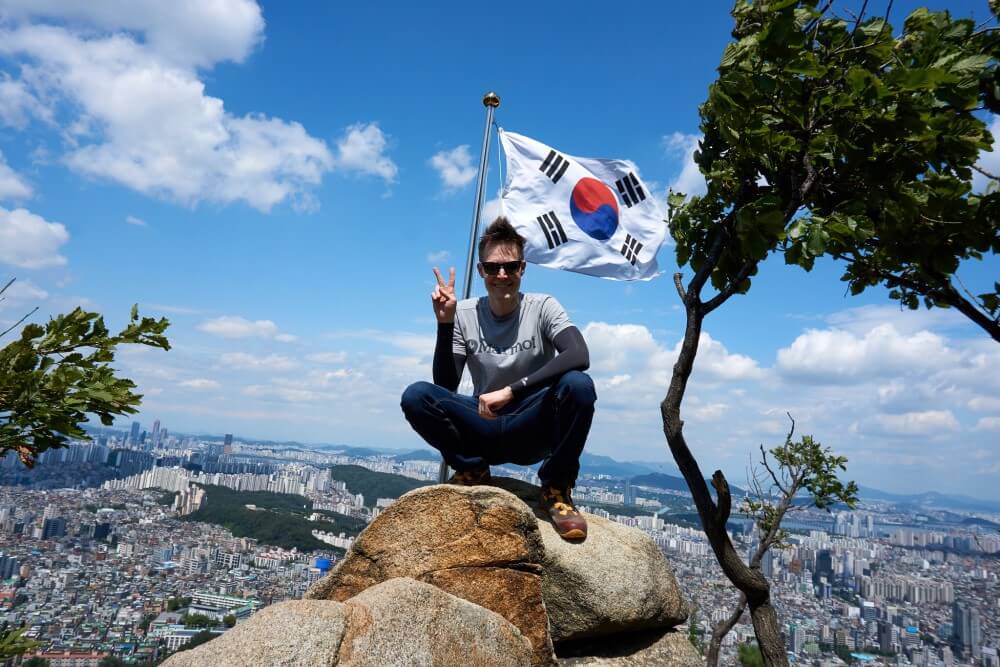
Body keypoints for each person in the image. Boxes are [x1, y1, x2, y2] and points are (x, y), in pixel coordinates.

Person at [400, 217, 596, 540]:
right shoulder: (464, 313)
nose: (501, 275)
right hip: (484, 423)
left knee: (579, 386)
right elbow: (446, 384)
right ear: (481, 272)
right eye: (492, 268)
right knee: (416, 396)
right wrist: (445, 324)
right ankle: (472, 468)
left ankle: (557, 488)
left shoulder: (543, 306)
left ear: (523, 268)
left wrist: (513, 390)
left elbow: (579, 354)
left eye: (510, 267)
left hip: (532, 424)